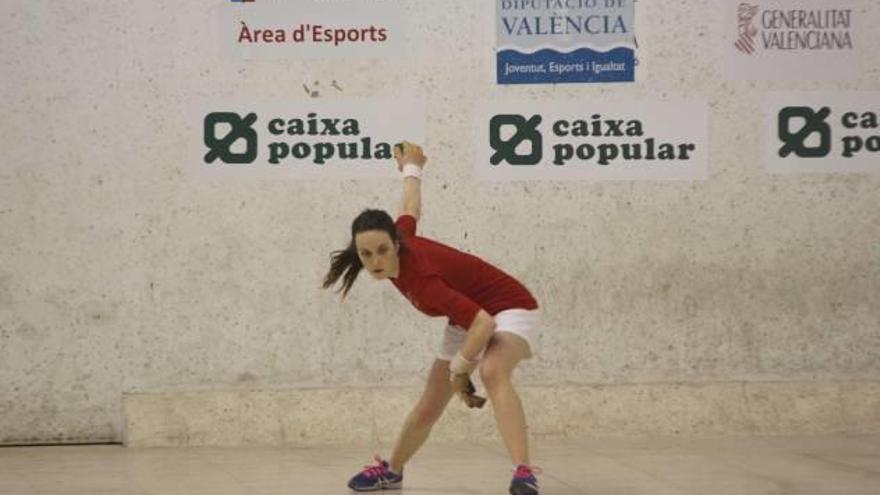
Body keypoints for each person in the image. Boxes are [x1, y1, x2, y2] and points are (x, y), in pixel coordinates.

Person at [322, 142, 542, 495]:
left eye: (382, 250)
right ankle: (391, 472)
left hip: (508, 305)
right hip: (466, 313)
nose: (376, 260)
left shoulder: (423, 279)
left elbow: (485, 323)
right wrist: (411, 166)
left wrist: (460, 371)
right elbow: (410, 205)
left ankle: (524, 473)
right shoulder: (401, 238)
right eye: (366, 254)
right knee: (431, 401)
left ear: (395, 244)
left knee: (491, 371)